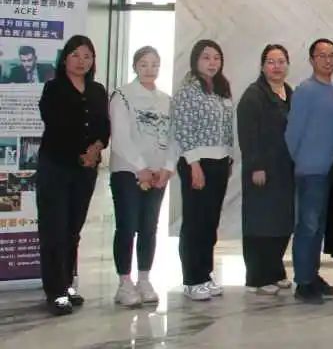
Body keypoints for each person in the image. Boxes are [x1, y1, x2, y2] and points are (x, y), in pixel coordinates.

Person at [36, 35, 108, 315]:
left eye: (87, 56)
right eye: (76, 55)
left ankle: (67, 284)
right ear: (65, 58)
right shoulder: (54, 88)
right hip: (56, 167)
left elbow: (104, 126)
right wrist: (81, 153)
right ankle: (55, 292)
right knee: (54, 230)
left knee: (72, 230)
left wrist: (96, 148)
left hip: (85, 171)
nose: (81, 61)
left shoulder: (97, 90)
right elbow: (55, 125)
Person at [109, 46, 174, 308]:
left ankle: (144, 279)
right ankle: (124, 282)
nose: (150, 69)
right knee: (127, 226)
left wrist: (167, 168)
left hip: (157, 174)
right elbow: (120, 138)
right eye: (144, 64)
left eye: (155, 64)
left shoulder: (166, 100)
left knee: (149, 227)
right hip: (128, 172)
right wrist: (140, 167)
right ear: (135, 66)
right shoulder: (122, 95)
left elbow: (173, 137)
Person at [172, 39, 235, 302]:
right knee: (195, 222)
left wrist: (229, 158)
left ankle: (205, 274)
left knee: (210, 223)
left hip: (219, 161)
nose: (212, 63)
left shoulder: (221, 88)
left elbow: (227, 127)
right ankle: (191, 279)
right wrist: (194, 164)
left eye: (216, 58)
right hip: (196, 162)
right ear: (196, 60)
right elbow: (182, 128)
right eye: (206, 57)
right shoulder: (188, 90)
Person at [286, 38, 333, 304]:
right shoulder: (305, 90)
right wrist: (302, 161)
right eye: (322, 55)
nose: (328, 60)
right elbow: (292, 133)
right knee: (308, 227)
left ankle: (312, 275)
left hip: (331, 172)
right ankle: (303, 282)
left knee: (319, 228)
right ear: (311, 60)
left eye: (332, 55)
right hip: (311, 171)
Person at [237, 44, 295, 296]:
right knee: (260, 224)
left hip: (285, 169)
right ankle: (257, 277)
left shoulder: (289, 92)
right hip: (261, 171)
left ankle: (274, 270)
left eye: (281, 61)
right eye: (271, 62)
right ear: (262, 66)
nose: (276, 66)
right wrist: (256, 166)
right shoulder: (253, 95)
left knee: (280, 222)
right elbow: (247, 135)